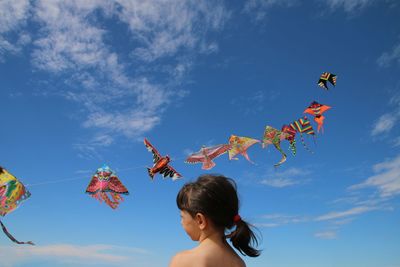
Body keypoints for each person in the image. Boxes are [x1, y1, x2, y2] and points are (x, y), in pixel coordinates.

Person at [169, 174, 261, 267]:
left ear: (200, 220)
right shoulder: (239, 263)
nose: (181, 222)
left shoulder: (183, 260)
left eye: (182, 217)